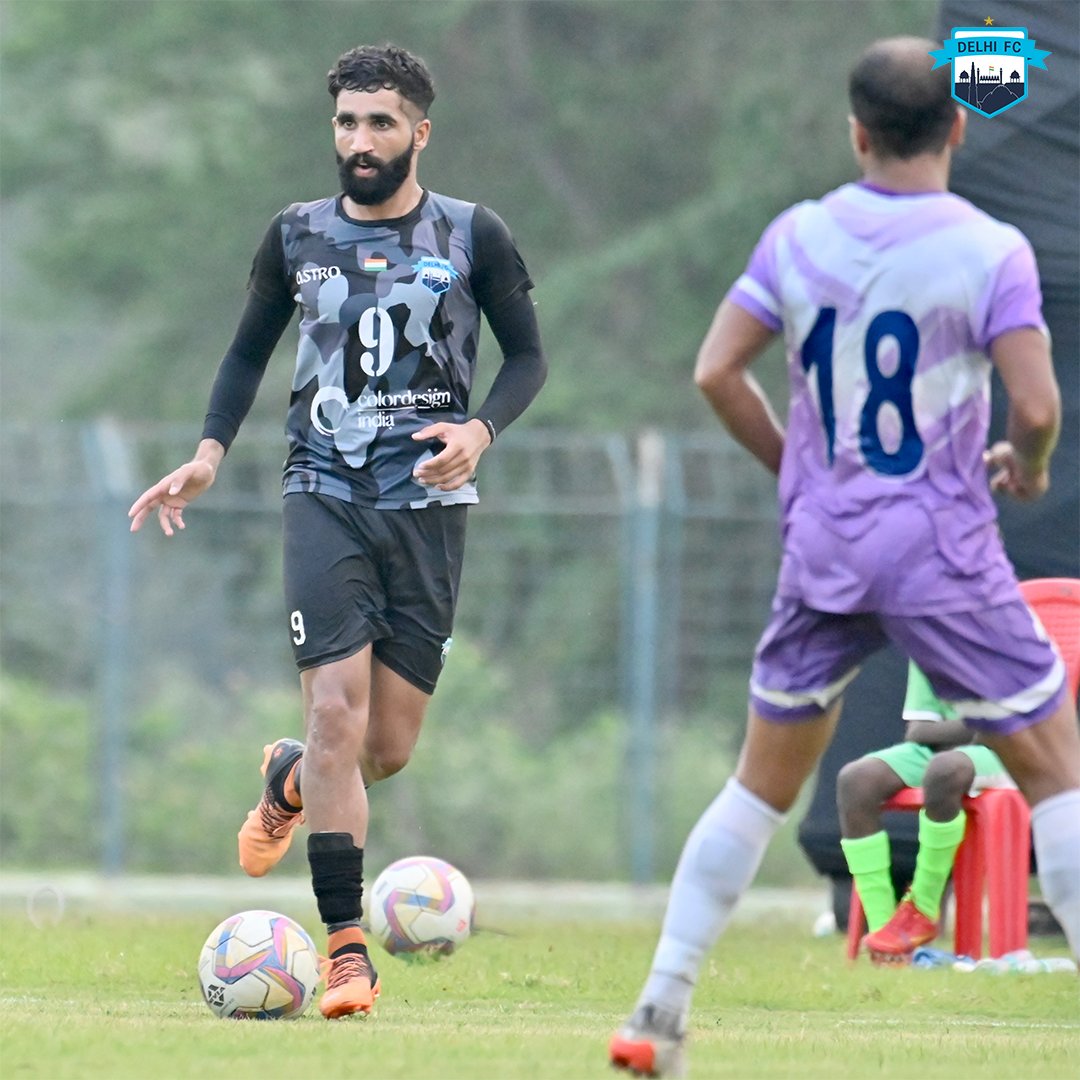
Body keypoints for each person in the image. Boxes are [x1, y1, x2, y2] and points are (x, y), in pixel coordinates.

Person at [609, 36, 1080, 1079]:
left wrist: (799, 474)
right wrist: (1031, 465)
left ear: (856, 133)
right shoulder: (988, 247)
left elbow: (717, 372)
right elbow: (1038, 405)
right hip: (942, 549)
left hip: (825, 548)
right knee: (1057, 775)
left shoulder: (799, 236)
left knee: (756, 788)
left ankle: (658, 1008)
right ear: (958, 124)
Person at [129, 44, 546, 1020]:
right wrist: (208, 452)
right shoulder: (296, 236)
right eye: (347, 123)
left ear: (420, 133)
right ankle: (348, 951)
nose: (360, 142)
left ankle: (287, 780)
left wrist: (480, 431)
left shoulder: (475, 234)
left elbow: (527, 359)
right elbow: (243, 357)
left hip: (431, 511)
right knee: (334, 715)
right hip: (322, 491)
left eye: (381, 124)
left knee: (385, 748)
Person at [838, 661, 1014, 961]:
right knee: (855, 780)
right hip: (934, 753)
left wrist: (983, 730)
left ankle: (923, 907)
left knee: (943, 771)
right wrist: (979, 725)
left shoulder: (1006, 638)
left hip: (1007, 752)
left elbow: (1012, 728)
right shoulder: (927, 639)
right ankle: (886, 933)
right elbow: (919, 730)